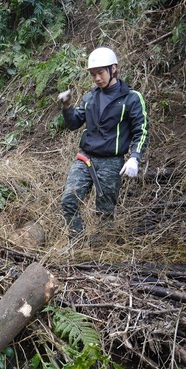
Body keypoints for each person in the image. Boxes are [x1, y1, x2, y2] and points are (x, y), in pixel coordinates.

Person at [58, 47, 149, 237]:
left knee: (105, 211)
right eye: (93, 74)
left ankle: (101, 253)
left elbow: (141, 130)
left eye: (100, 72)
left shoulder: (131, 98)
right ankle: (77, 243)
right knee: (69, 200)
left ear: (113, 69)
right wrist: (67, 107)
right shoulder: (90, 97)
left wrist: (134, 157)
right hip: (85, 157)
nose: (97, 78)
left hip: (111, 161)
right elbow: (74, 123)